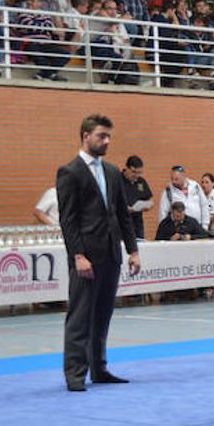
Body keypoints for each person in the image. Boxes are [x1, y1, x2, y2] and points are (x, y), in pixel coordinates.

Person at [56, 115, 140, 392]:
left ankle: (99, 368)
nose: (107, 141)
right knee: (80, 316)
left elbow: (122, 216)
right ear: (85, 136)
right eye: (102, 136)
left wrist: (133, 250)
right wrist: (78, 255)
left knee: (103, 314)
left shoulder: (113, 172)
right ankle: (75, 373)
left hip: (111, 254)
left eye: (109, 137)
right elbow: (68, 220)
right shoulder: (69, 172)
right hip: (87, 256)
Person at [120, 155, 154, 239]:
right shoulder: (117, 179)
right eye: (133, 172)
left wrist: (147, 206)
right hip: (121, 224)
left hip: (137, 224)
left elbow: (149, 200)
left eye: (139, 173)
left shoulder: (141, 182)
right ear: (126, 168)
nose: (136, 175)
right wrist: (124, 208)